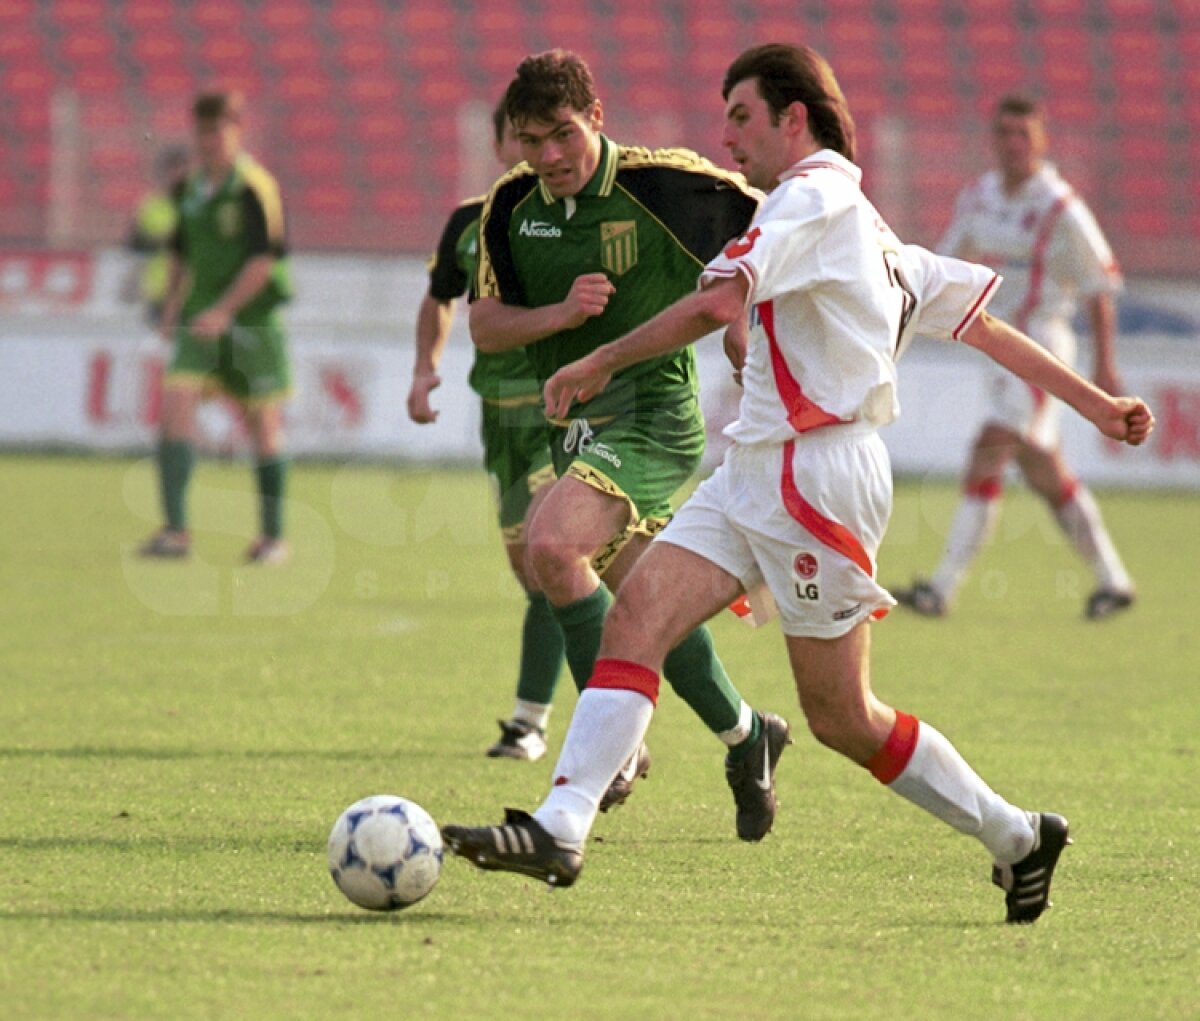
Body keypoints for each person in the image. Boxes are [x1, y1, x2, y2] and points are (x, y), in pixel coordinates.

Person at [441, 44, 1155, 923]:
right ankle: (562, 823)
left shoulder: (810, 198)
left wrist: (601, 358)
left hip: (817, 475)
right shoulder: (865, 228)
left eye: (741, 115)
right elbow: (986, 326)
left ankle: (1018, 835)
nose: (727, 134)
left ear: (794, 117)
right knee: (636, 618)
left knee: (844, 716)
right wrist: (1096, 405)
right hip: (757, 462)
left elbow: (714, 303)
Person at [466, 49, 792, 839]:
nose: (548, 156)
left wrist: (745, 325)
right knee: (646, 606)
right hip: (575, 424)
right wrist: (561, 318)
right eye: (530, 140)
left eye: (563, 135)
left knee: (552, 543)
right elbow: (483, 323)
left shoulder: (669, 186)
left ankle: (609, 751)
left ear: (597, 119)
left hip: (653, 415)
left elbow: (788, 232)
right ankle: (750, 736)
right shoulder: (510, 206)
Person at [893, 94, 1135, 621]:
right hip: (997, 347)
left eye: (1023, 134)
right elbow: (945, 260)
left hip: (1042, 346)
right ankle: (1113, 581)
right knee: (1044, 471)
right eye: (1004, 133)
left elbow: (1101, 285)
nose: (1012, 144)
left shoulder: (1060, 207)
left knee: (990, 446)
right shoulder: (980, 197)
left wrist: (1104, 365)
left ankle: (941, 588)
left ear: (1042, 142)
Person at [406, 102, 566, 762]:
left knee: (554, 561)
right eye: (518, 134)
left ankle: (535, 721)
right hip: (499, 419)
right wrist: (424, 370)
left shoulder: (565, 218)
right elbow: (440, 296)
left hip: (560, 413)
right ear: (500, 141)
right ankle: (608, 694)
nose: (528, 147)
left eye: (540, 136)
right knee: (533, 577)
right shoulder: (469, 223)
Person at [138, 89, 294, 564]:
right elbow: (182, 254)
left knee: (261, 426)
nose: (209, 141)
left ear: (237, 131)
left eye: (217, 130)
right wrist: (171, 310)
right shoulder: (187, 188)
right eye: (202, 131)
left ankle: (272, 539)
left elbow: (264, 262)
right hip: (199, 320)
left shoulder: (254, 188)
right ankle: (176, 532)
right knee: (175, 406)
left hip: (249, 319)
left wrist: (224, 310)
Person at [125, 144, 191, 326]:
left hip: (191, 292)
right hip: (159, 291)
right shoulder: (150, 206)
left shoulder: (200, 206)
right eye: (172, 169)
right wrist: (166, 240)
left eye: (181, 168)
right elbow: (134, 245)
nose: (177, 175)